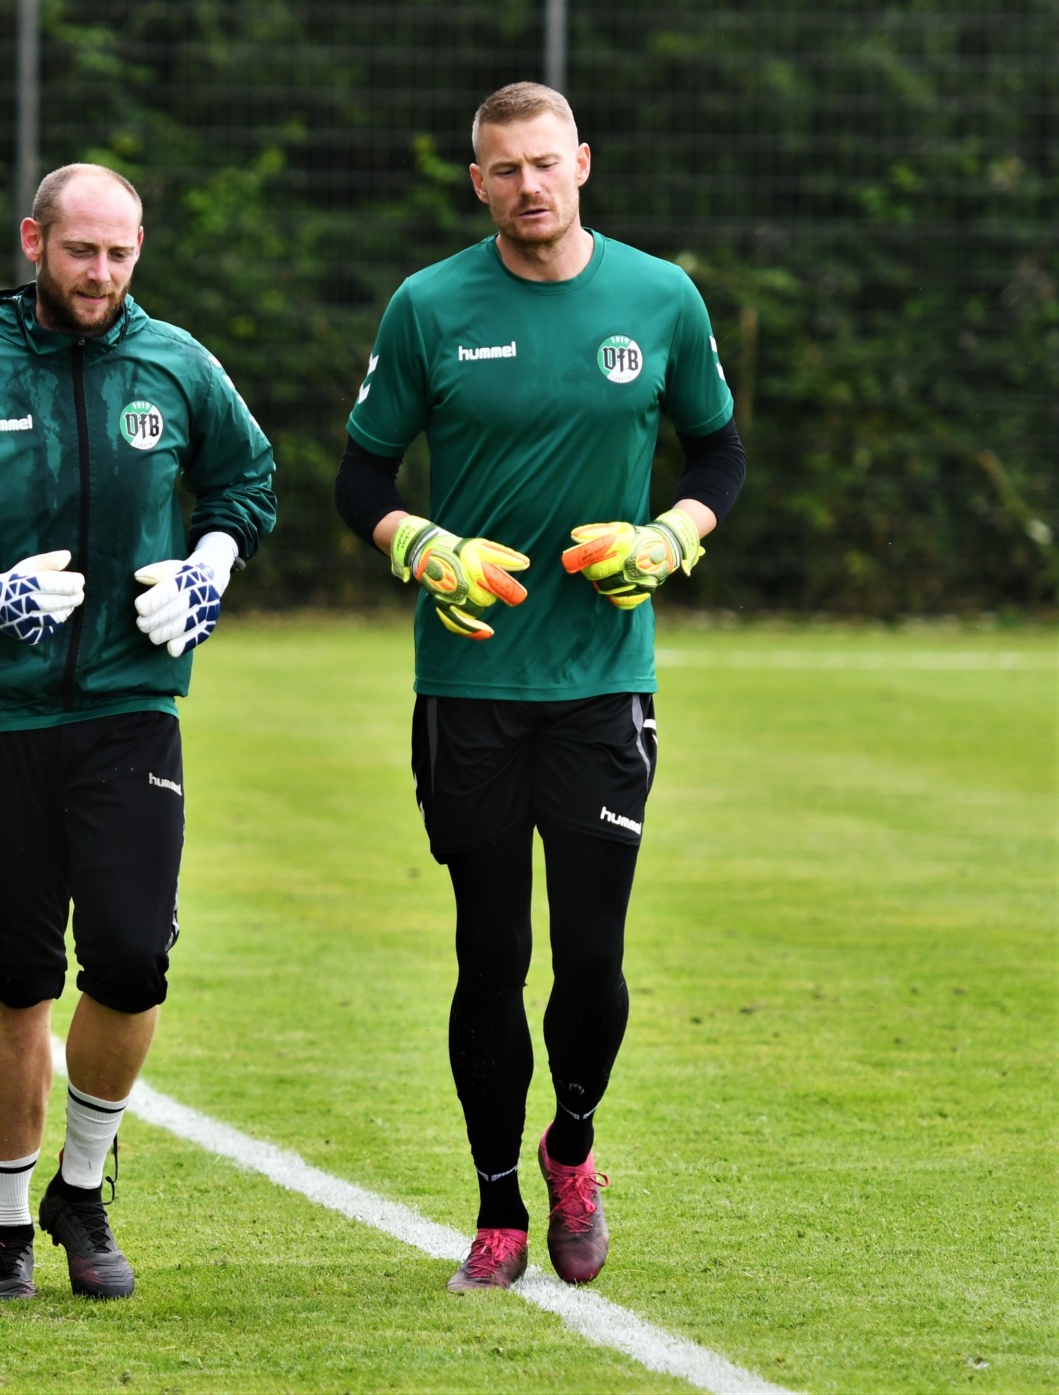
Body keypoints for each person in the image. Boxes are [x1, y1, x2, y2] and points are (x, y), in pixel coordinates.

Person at [333, 83, 747, 1292]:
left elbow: (716, 447)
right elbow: (360, 472)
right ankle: (496, 1204)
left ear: (582, 162)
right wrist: (417, 544)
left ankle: (569, 1151)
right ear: (478, 182)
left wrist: (670, 535)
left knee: (591, 956)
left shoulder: (658, 297)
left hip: (601, 685)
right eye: (503, 169)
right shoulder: (429, 306)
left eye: (545, 163)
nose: (529, 186)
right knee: (486, 952)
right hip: (465, 682)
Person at [0, 163, 276, 1301]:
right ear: (33, 239)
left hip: (130, 707)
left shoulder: (177, 364)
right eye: (80, 251)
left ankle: (79, 1194)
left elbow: (248, 480)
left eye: (120, 253)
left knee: (134, 963)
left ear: (141, 248)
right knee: (16, 976)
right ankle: (3, 1227)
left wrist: (210, 566)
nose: (99, 275)